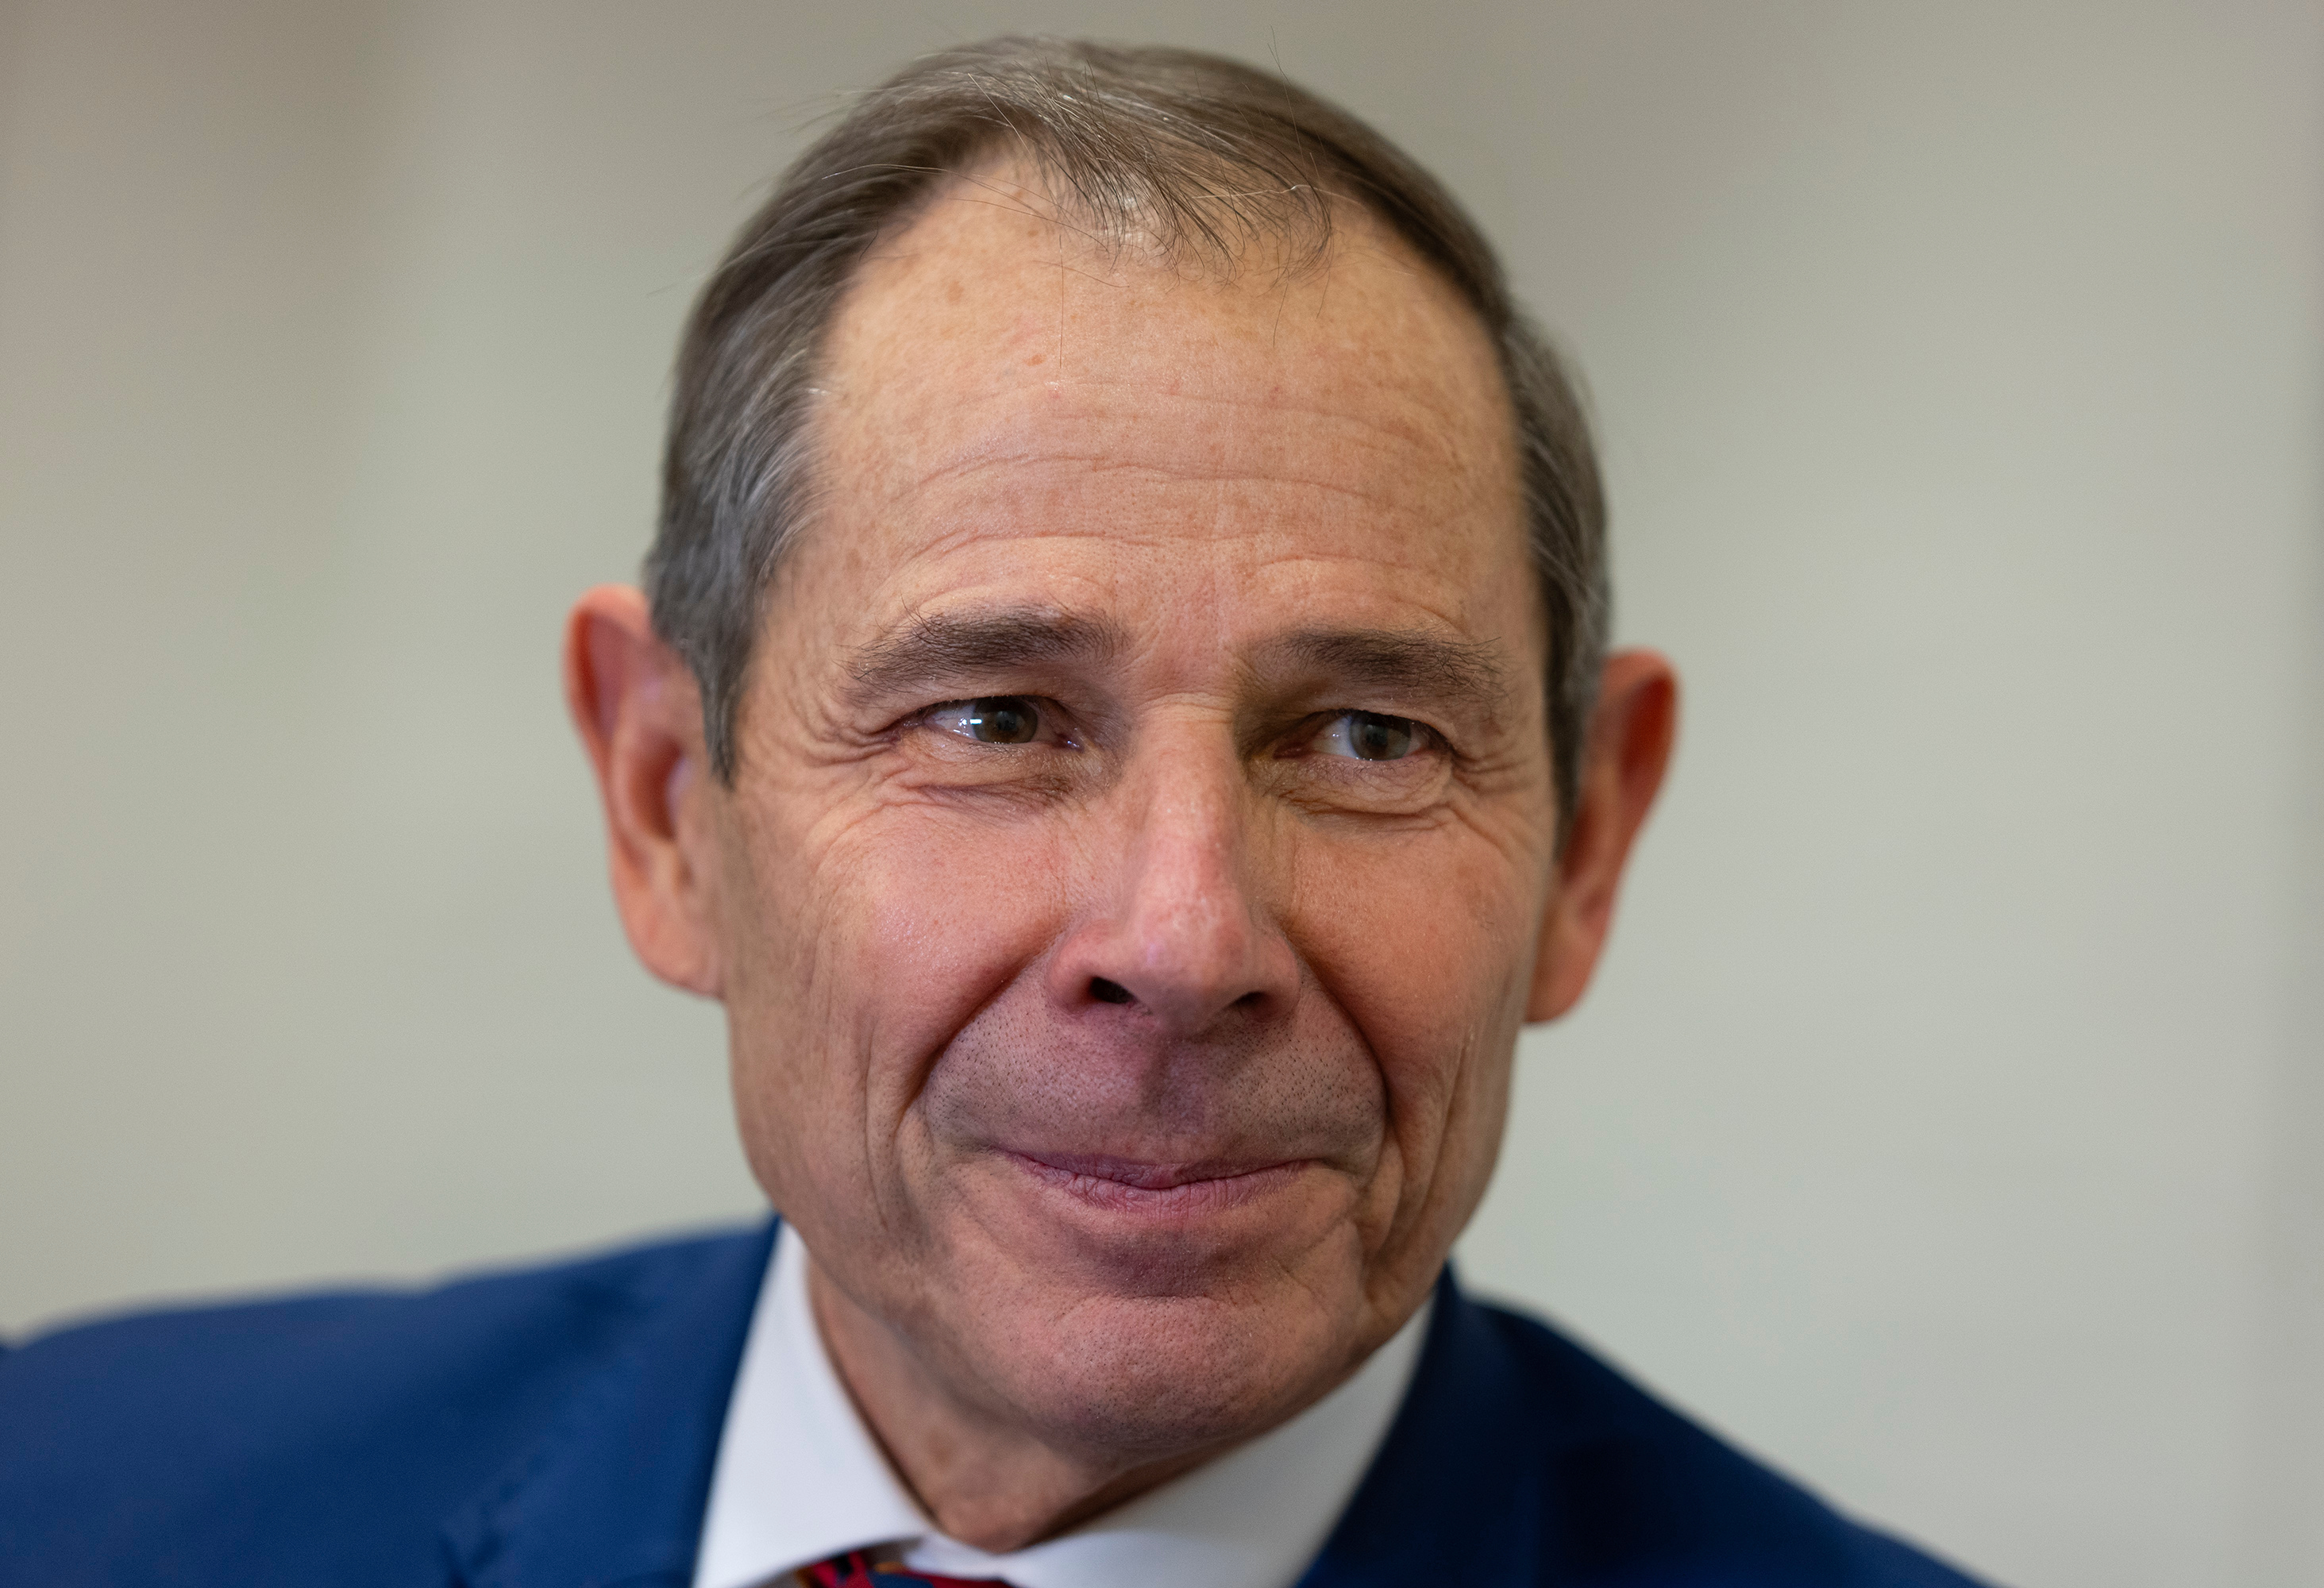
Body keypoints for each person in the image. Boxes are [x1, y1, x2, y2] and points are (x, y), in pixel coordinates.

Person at [0, 38, 1992, 1588]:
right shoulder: (77, 1494)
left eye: (1370, 738)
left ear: (1585, 845)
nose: (1187, 938)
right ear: (669, 803)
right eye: (997, 715)